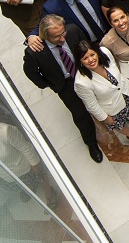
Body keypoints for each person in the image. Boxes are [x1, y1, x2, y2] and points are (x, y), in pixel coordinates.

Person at [21, 16, 103, 162]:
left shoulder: (72, 30)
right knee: (80, 114)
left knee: (103, 96)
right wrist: (47, 83)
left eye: (62, 33)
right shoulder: (34, 52)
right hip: (65, 84)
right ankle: (91, 143)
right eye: (56, 37)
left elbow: (86, 47)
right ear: (45, 36)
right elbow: (30, 72)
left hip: (84, 72)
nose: (62, 39)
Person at [73, 41, 129, 148]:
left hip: (124, 92)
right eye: (85, 58)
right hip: (113, 107)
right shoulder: (81, 82)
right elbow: (91, 105)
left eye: (92, 54)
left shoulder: (105, 52)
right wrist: (105, 118)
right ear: (80, 62)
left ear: (97, 53)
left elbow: (115, 66)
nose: (90, 60)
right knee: (119, 123)